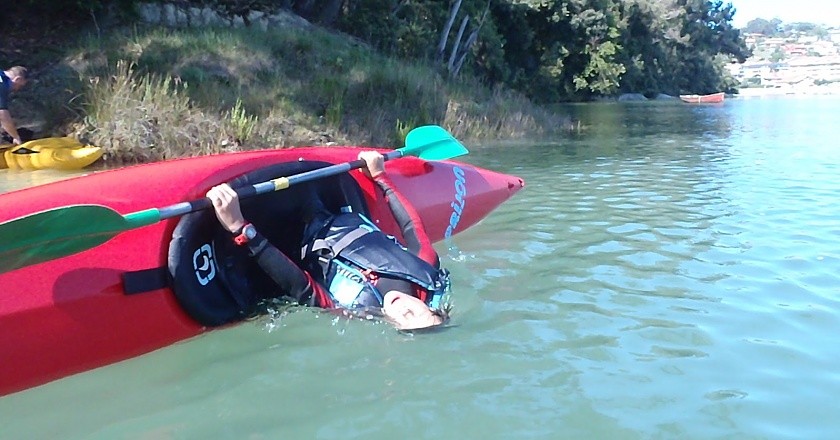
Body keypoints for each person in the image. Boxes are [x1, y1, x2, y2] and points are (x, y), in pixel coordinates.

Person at [206, 151, 451, 331]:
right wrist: (380, 176)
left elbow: (299, 285)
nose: (404, 311)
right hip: (336, 208)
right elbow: (411, 225)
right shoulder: (427, 271)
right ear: (431, 307)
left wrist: (240, 227)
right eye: (417, 314)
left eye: (405, 322)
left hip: (294, 237)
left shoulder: (352, 310)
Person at [0, 66, 29, 145]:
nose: (17, 89)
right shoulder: (2, 85)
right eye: (19, 86)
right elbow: (2, 115)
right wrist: (16, 137)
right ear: (17, 79)